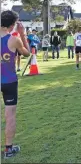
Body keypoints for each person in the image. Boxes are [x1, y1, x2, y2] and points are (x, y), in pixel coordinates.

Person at [1, 10, 30, 159]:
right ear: (12, 25)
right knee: (10, 116)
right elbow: (27, 53)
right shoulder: (13, 39)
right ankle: (8, 150)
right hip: (9, 82)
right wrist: (22, 34)